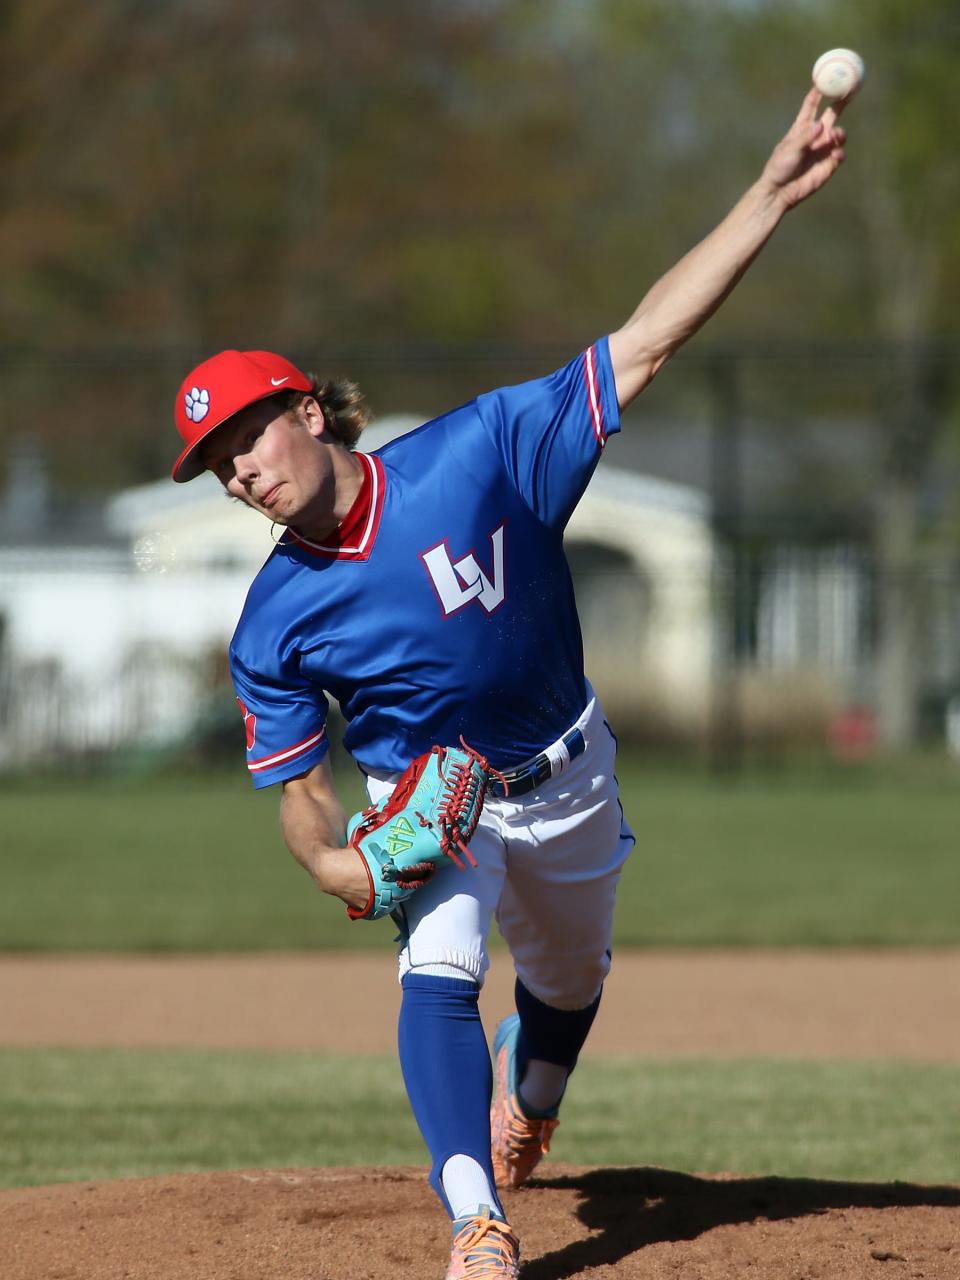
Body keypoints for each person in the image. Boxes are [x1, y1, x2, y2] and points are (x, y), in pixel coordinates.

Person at [170, 89, 848, 1279]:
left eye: (245, 440)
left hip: (570, 767)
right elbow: (294, 780)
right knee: (438, 967)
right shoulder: (273, 619)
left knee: (569, 980)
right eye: (216, 465)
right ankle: (477, 1218)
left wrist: (770, 194)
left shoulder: (483, 451)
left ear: (309, 410)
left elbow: (645, 340)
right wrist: (333, 857)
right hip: (435, 800)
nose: (237, 473)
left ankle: (535, 1089)